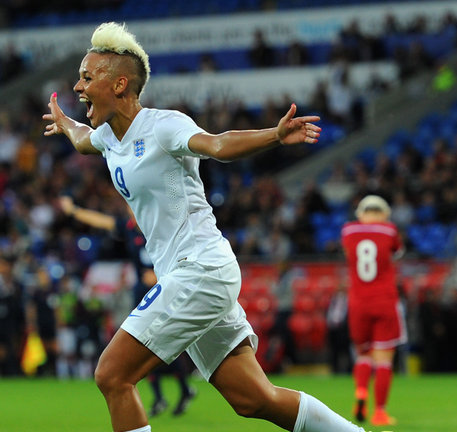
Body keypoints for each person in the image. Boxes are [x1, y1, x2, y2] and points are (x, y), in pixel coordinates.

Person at [43, 22, 364, 432]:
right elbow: (82, 137)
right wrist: (64, 122)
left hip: (200, 270)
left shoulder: (163, 125)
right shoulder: (108, 137)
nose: (78, 86)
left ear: (120, 84)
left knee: (112, 375)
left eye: (87, 77)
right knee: (254, 398)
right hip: (191, 276)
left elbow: (216, 144)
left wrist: (274, 135)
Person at [58, 196, 196, 417]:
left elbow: (186, 251)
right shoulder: (129, 228)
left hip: (166, 289)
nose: (133, 212)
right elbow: (102, 221)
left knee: (164, 343)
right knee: (144, 343)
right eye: (130, 208)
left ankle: (181, 390)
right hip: (142, 292)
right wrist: (74, 210)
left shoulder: (160, 223)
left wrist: (163, 275)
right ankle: (163, 395)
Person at [341, 195, 405, 427]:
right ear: (385, 213)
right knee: (385, 360)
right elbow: (397, 253)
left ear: (361, 212)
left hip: (358, 302)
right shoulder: (389, 230)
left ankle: (360, 391)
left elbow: (349, 256)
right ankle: (379, 412)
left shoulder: (348, 231)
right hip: (385, 302)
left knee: (363, 354)